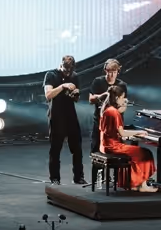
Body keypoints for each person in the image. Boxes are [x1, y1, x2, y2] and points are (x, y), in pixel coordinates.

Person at [100, 85, 157, 192]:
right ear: (117, 98)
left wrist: (131, 135)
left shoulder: (107, 109)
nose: (124, 100)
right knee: (145, 153)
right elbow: (121, 133)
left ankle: (133, 183)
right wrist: (139, 132)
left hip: (105, 145)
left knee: (136, 153)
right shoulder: (114, 112)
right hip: (113, 147)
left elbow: (113, 132)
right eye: (122, 98)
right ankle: (142, 186)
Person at [44, 55, 86, 185]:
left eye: (70, 70)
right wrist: (63, 86)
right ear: (61, 65)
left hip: (70, 115)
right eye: (66, 69)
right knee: (56, 148)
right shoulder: (51, 75)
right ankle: (55, 178)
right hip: (56, 115)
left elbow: (76, 98)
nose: (67, 72)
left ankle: (78, 177)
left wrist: (75, 94)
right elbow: (48, 95)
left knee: (77, 148)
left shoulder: (74, 76)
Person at [89, 59, 128, 153]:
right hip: (100, 122)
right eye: (110, 72)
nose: (112, 75)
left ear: (118, 72)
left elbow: (124, 106)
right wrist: (104, 95)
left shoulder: (122, 85)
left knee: (119, 151)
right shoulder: (98, 81)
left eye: (114, 72)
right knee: (96, 149)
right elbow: (91, 99)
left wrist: (114, 112)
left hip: (116, 124)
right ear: (105, 70)